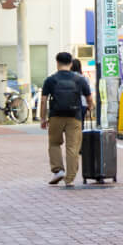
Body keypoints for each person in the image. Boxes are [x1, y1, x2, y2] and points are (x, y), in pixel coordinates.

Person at [41, 52, 94, 187]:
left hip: (55, 116)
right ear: (70, 63)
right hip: (74, 117)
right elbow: (89, 98)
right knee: (72, 147)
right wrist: (90, 108)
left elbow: (43, 100)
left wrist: (42, 118)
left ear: (57, 63)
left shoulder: (50, 80)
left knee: (54, 143)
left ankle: (58, 170)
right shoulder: (79, 79)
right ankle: (69, 179)